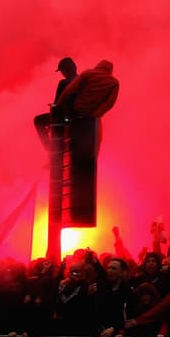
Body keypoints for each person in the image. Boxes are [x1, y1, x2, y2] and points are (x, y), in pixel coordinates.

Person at [53, 59, 119, 225]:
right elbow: (109, 104)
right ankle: (92, 161)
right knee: (98, 140)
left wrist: (58, 107)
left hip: (75, 112)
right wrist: (96, 115)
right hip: (91, 119)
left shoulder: (88, 73)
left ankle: (53, 153)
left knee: (66, 145)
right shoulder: (114, 82)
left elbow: (70, 91)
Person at [34, 57, 77, 149]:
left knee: (38, 120)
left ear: (65, 70)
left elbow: (57, 104)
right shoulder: (81, 80)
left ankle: (49, 147)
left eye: (62, 71)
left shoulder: (63, 83)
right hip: (76, 115)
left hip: (64, 116)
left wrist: (53, 107)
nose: (62, 74)